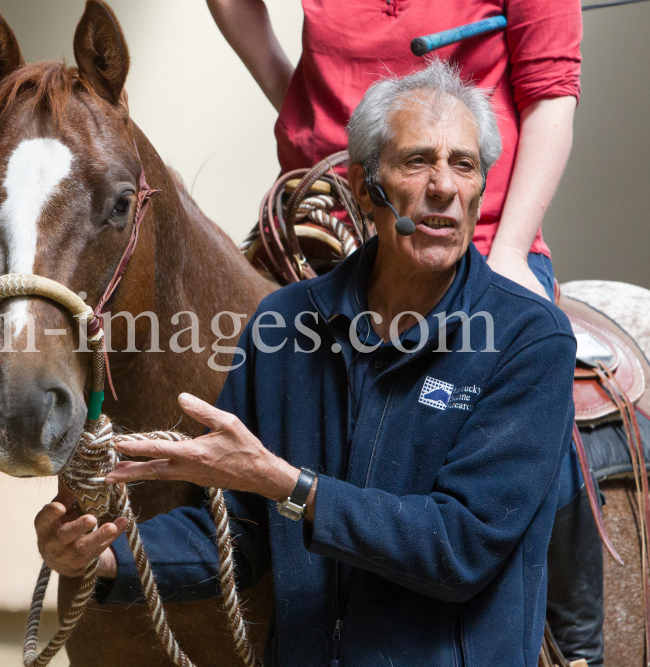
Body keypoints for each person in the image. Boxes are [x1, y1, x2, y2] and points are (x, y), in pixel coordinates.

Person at [36, 61, 577, 666]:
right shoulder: (281, 326)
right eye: (418, 160)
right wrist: (106, 557)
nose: (444, 186)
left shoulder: (530, 339)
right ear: (365, 185)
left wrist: (288, 485)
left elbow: (459, 546)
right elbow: (235, 535)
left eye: (464, 164)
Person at [206, 2, 599, 663]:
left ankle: (576, 639)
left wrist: (505, 255)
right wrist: (309, 126)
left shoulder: (466, 205)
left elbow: (551, 100)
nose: (447, 182)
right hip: (331, 194)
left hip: (489, 231)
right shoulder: (280, 319)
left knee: (537, 344)